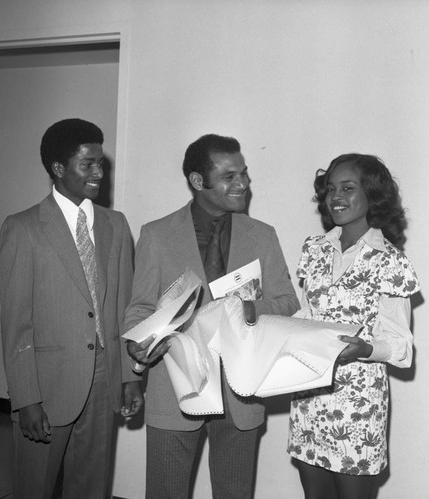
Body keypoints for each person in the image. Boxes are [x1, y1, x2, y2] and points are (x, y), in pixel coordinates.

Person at [124, 134, 299, 499]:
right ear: (197, 181)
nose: (243, 184)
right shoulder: (156, 236)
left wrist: (246, 308)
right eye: (229, 176)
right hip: (174, 393)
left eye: (244, 174)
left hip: (241, 395)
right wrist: (140, 344)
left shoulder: (263, 236)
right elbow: (139, 308)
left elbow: (286, 302)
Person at [0, 118, 143, 499]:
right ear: (58, 169)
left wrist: (129, 377)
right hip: (47, 386)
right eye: (88, 164)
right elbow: (16, 323)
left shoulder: (115, 224)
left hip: (103, 379)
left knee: (91, 488)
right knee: (35, 488)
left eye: (101, 163)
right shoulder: (23, 228)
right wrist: (26, 398)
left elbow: (124, 308)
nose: (99, 173)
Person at [287, 154, 420, 499]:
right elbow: (307, 315)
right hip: (309, 398)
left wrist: (365, 349)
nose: (336, 196)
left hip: (357, 408)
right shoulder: (314, 250)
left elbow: (401, 347)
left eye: (348, 187)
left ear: (372, 195)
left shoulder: (390, 261)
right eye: (331, 188)